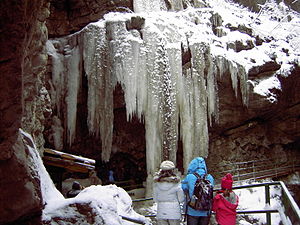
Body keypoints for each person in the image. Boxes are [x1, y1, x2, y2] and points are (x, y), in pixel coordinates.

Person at [182, 157, 214, 225]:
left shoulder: (190, 177)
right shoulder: (209, 177)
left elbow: (183, 188)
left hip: (192, 210)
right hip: (206, 210)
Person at [153, 160, 185, 225]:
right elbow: (181, 199)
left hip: (161, 211)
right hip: (174, 212)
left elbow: (155, 199)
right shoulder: (176, 183)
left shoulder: (157, 183)